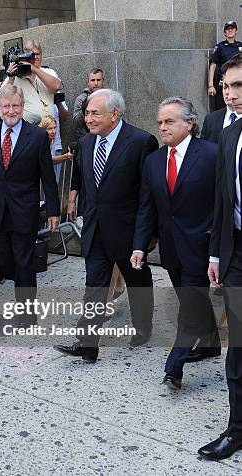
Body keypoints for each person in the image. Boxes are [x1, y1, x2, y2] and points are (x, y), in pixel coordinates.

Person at [54, 89, 158, 362]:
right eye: (87, 113)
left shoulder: (141, 142)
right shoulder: (86, 144)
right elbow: (89, 184)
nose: (88, 118)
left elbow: (149, 194)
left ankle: (143, 328)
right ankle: (88, 343)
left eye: (94, 113)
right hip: (96, 229)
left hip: (129, 232)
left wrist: (148, 235)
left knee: (138, 283)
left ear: (114, 114)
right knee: (95, 285)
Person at [132, 97, 221, 390]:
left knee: (190, 308)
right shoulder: (154, 160)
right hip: (171, 248)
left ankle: (174, 367)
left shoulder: (211, 154)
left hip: (201, 247)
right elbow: (147, 208)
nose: (162, 127)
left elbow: (223, 202)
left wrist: (217, 243)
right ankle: (210, 345)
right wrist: (139, 246)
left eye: (169, 121)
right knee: (191, 300)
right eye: (160, 122)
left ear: (189, 123)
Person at [0, 84, 60, 309]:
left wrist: (53, 210)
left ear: (22, 107)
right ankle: (14, 284)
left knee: (24, 262)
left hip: (24, 210)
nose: (11, 111)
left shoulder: (38, 136)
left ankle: (26, 311)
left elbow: (47, 176)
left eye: (16, 106)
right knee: (4, 258)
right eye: (6, 106)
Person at [202, 52, 242, 461]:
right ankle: (236, 428)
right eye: (227, 87)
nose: (231, 95)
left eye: (240, 87)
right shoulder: (227, 134)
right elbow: (221, 199)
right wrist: (215, 252)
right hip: (236, 251)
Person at [4, 40, 62, 125]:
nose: (35, 57)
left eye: (37, 54)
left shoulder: (49, 72)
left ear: (41, 55)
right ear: (25, 56)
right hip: (29, 131)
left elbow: (56, 86)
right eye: (31, 54)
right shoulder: (15, 76)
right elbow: (1, 98)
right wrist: (11, 78)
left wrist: (34, 69)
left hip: (49, 129)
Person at [208, 21, 242, 112]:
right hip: (223, 84)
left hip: (238, 83)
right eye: (228, 29)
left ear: (236, 31)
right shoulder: (220, 47)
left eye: (232, 29)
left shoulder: (240, 46)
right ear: (224, 33)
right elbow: (213, 66)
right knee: (223, 109)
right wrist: (210, 85)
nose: (230, 31)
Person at [201, 80, 242, 144]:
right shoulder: (210, 119)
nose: (227, 92)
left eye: (233, 87)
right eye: (225, 87)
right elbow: (203, 148)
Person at [38, 115, 73, 183]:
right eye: (49, 129)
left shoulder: (49, 140)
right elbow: (46, 159)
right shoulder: (38, 141)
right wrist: (65, 156)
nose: (53, 131)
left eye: (54, 128)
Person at [72, 68, 104, 142]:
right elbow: (76, 123)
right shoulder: (81, 99)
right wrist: (87, 102)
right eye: (93, 80)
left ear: (103, 82)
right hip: (86, 138)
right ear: (88, 83)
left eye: (98, 80)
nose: (96, 83)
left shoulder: (109, 98)